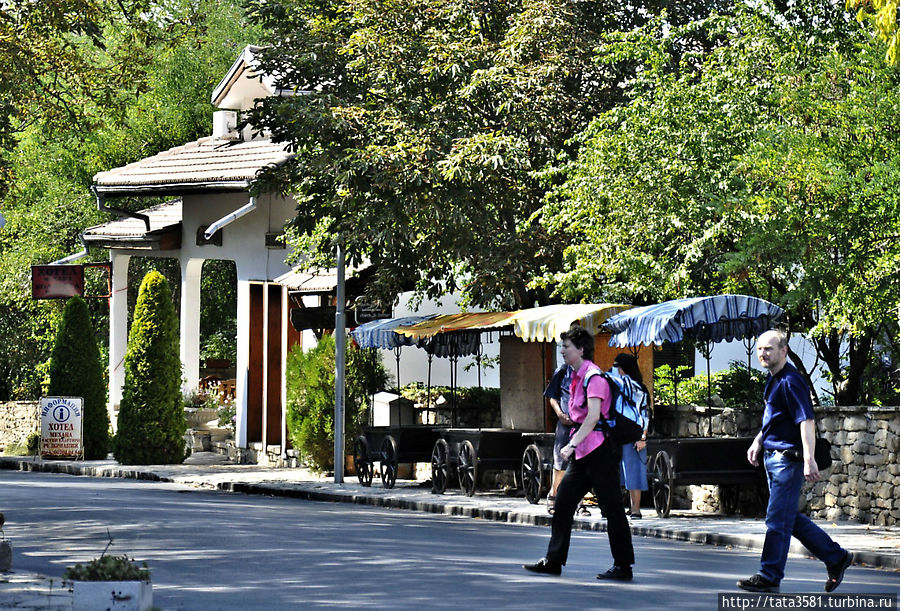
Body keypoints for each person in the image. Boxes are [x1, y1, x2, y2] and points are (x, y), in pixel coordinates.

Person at [737, 329, 852, 593]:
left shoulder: (791, 381)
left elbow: (806, 420)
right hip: (773, 459)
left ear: (783, 351)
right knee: (789, 518)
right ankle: (837, 557)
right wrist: (758, 441)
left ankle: (769, 575)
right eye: (760, 349)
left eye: (768, 348)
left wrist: (808, 459)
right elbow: (774, 419)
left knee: (776, 521)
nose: (763, 353)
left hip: (788, 461)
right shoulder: (773, 380)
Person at [524, 325, 635, 580]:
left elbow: (594, 417)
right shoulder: (572, 376)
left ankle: (623, 566)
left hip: (600, 451)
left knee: (612, 509)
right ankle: (553, 560)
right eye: (562, 346)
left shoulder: (593, 377)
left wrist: (571, 444)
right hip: (583, 453)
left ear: (581, 350)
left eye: (566, 347)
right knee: (562, 504)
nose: (562, 351)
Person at [543, 361, 590, 516]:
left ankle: (580, 502)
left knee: (581, 463)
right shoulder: (563, 371)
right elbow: (552, 397)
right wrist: (560, 414)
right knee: (560, 462)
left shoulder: (589, 371)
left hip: (582, 423)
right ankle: (553, 494)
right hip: (565, 422)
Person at [613, 353, 649, 520]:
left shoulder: (638, 389)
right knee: (622, 472)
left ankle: (636, 509)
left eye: (617, 366)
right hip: (619, 435)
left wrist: (642, 437)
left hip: (633, 436)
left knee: (634, 471)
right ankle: (628, 507)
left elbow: (645, 414)